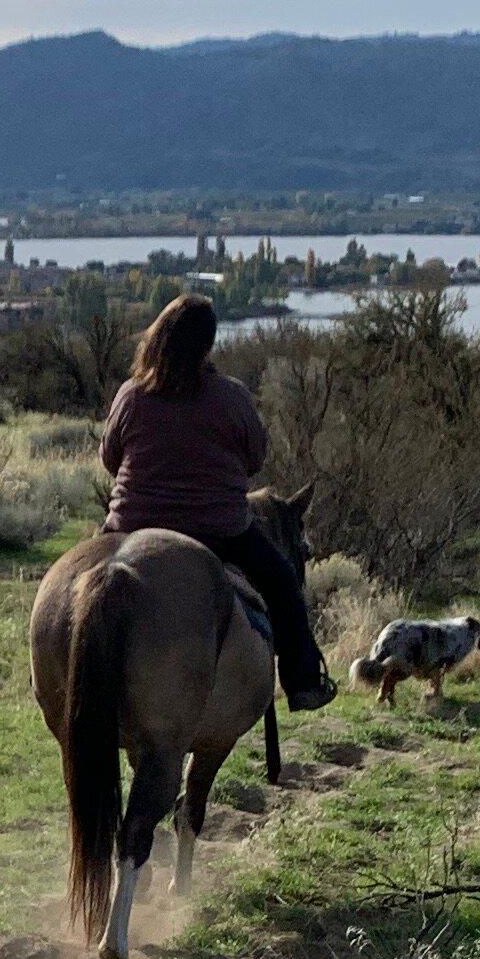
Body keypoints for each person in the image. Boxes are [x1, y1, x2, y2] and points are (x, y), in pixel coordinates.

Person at [97, 293, 335, 710]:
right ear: (208, 344)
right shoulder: (231, 397)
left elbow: (110, 459)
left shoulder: (132, 395)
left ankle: (45, 669)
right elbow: (255, 459)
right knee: (282, 580)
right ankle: (301, 681)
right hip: (219, 531)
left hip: (130, 525)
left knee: (79, 579)